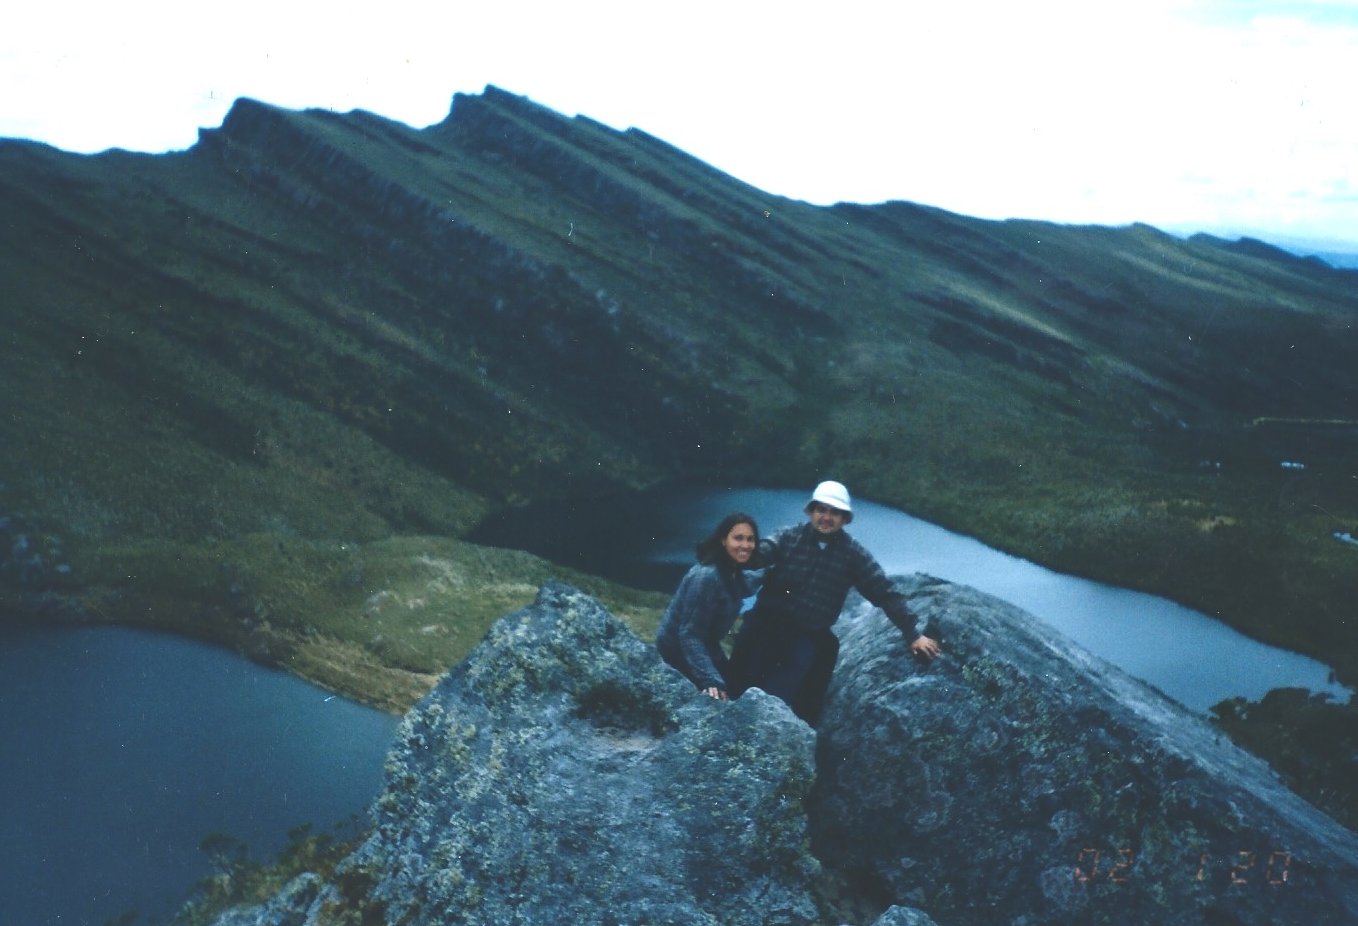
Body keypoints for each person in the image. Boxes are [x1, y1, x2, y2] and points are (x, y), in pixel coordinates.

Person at [731, 480, 941, 722]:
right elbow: (759, 553)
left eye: (834, 512)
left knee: (799, 697)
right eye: (821, 510)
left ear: (845, 519)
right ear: (811, 511)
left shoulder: (853, 555)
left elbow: (885, 592)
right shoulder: (788, 538)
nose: (826, 517)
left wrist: (913, 634)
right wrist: (733, 553)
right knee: (739, 682)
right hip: (767, 626)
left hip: (807, 634)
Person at [655, 512, 763, 700]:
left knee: (737, 686)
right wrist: (710, 680)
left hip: (706, 645)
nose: (745, 545)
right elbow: (689, 634)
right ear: (723, 540)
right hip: (677, 652)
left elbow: (747, 583)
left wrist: (774, 571)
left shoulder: (731, 571)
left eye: (750, 539)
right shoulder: (707, 577)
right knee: (722, 694)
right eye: (738, 538)